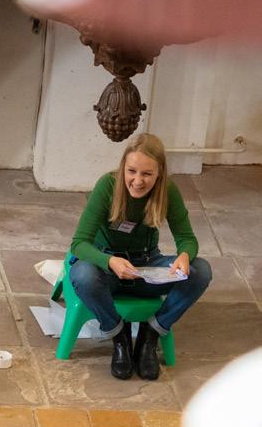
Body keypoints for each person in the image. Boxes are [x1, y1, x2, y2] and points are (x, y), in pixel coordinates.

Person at [68, 132, 212, 381]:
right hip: (108, 266)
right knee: (83, 275)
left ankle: (152, 333)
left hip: (146, 265)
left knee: (201, 271)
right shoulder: (107, 186)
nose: (137, 181)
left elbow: (187, 238)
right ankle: (119, 336)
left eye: (147, 174)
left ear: (159, 174)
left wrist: (185, 255)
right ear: (123, 167)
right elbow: (79, 244)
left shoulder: (168, 191)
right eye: (131, 171)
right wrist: (109, 261)